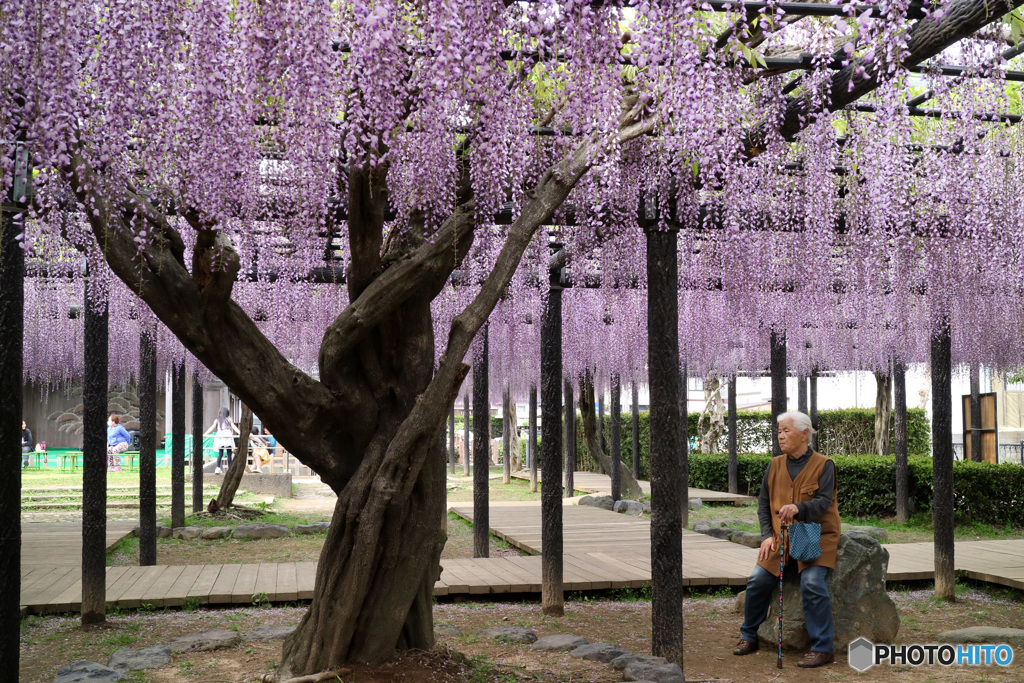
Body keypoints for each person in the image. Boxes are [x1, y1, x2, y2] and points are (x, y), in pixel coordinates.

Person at [732, 411, 840, 669]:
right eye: (779, 430)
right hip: (781, 539)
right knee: (757, 579)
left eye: (786, 430)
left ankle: (823, 648)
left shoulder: (825, 464)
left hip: (817, 536)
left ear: (804, 434)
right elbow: (762, 505)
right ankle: (749, 635)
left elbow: (824, 503)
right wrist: (767, 536)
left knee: (812, 582)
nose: (780, 435)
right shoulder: (774, 465)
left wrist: (799, 508)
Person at [204, 407, 239, 474]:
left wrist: (205, 434)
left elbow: (212, 428)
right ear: (227, 413)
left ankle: (217, 468)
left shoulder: (217, 420)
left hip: (220, 436)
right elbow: (234, 427)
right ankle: (229, 468)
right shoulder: (228, 419)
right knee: (229, 453)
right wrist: (240, 433)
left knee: (220, 453)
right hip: (227, 435)